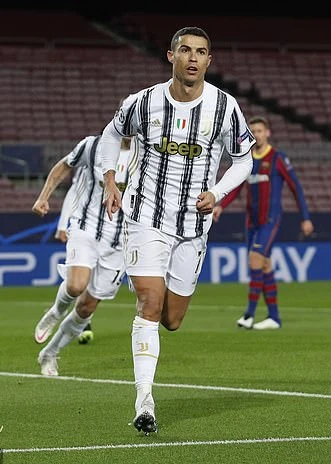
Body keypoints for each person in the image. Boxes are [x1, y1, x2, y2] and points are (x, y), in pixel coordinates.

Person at [100, 26, 254, 435]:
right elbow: (111, 134)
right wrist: (110, 178)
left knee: (172, 319)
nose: (192, 58)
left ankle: (144, 284)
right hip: (145, 216)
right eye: (185, 50)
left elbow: (244, 160)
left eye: (201, 52)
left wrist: (217, 192)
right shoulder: (143, 101)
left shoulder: (224, 107)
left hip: (192, 225)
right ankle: (144, 402)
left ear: (209, 60)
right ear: (171, 56)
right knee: (150, 303)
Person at [32, 135, 137, 375]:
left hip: (120, 242)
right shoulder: (93, 146)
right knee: (76, 286)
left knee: (87, 308)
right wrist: (43, 196)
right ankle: (55, 312)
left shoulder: (148, 153)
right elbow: (64, 166)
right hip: (86, 228)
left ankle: (50, 353)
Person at [212, 115, 314, 330]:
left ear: (267, 133)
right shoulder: (247, 160)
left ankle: (249, 314)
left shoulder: (277, 158)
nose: (257, 135)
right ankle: (274, 317)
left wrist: (305, 217)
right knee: (264, 264)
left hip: (270, 219)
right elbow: (237, 187)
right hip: (252, 221)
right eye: (253, 132)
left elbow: (295, 187)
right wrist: (221, 205)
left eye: (260, 131)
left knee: (255, 259)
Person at [54, 167, 94, 344]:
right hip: (85, 227)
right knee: (81, 279)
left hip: (114, 230)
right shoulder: (91, 158)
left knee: (95, 280)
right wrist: (63, 224)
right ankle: (84, 321)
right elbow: (75, 191)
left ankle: (83, 318)